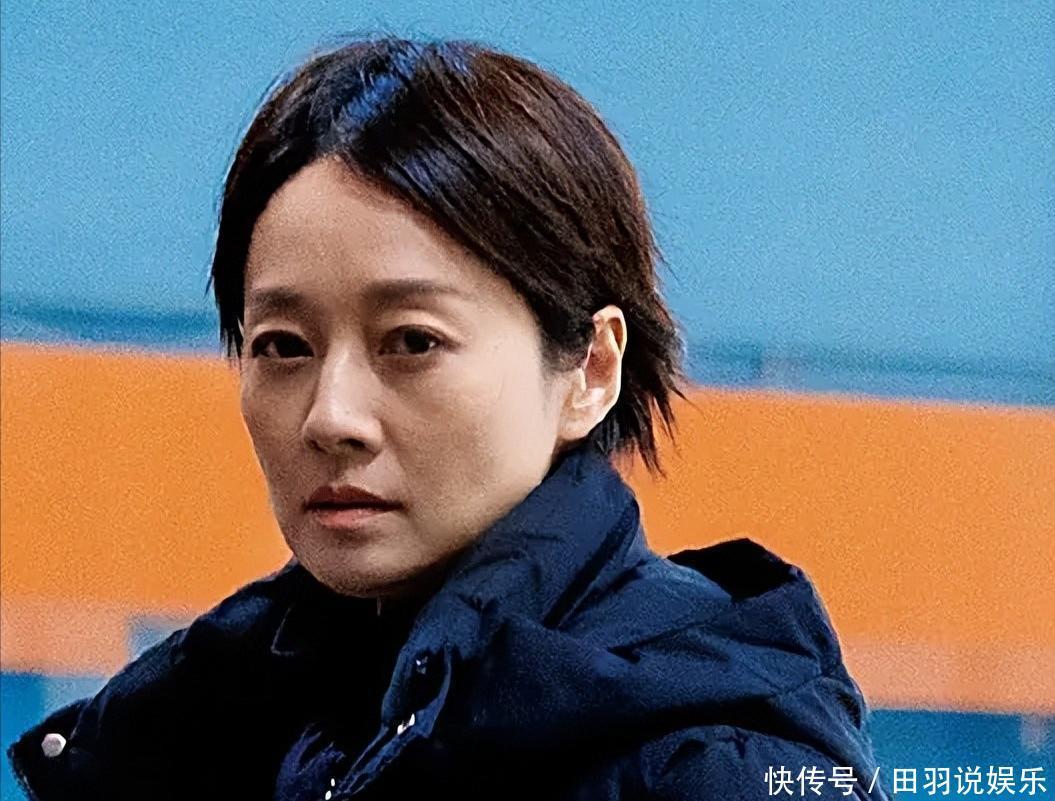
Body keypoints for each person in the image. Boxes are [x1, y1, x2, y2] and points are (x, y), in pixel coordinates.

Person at [7, 36, 889, 801]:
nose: (332, 417)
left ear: (590, 367)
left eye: (413, 341)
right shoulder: (213, 729)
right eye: (282, 346)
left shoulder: (713, 766)